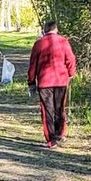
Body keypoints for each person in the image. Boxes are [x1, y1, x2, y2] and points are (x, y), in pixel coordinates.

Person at [28, 20, 77, 149]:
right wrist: (71, 73)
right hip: (61, 80)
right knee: (60, 108)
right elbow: (71, 59)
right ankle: (60, 134)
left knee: (47, 110)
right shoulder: (63, 41)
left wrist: (31, 82)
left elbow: (33, 64)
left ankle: (51, 139)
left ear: (44, 30)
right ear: (56, 29)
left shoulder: (39, 44)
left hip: (44, 82)